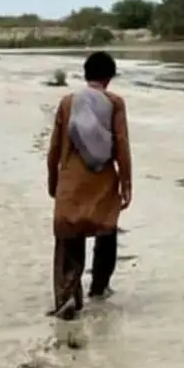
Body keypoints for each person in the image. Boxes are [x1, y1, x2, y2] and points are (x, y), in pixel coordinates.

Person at [46, 51, 133, 319]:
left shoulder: (68, 102)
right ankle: (99, 286)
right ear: (109, 77)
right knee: (106, 229)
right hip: (103, 178)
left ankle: (68, 294)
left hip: (71, 177)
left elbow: (55, 146)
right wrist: (127, 181)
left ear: (86, 74)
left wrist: (53, 180)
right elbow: (122, 145)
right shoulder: (115, 102)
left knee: (69, 233)